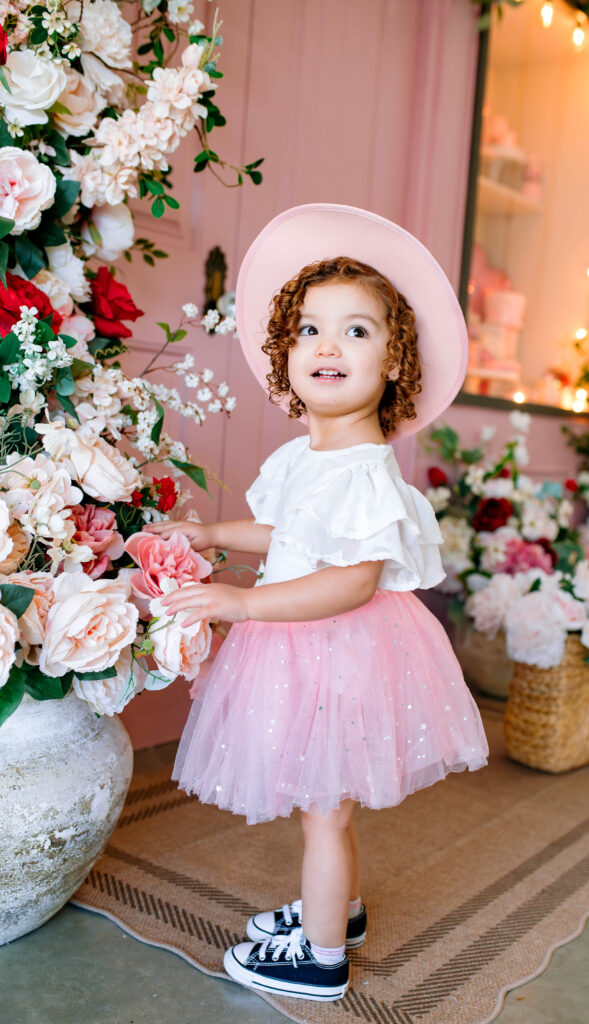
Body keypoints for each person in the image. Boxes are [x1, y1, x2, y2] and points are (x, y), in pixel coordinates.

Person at [144, 204, 488, 1002]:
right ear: (285, 354)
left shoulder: (365, 468)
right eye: (308, 330)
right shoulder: (306, 455)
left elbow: (351, 581)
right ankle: (343, 910)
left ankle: (321, 957)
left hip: (339, 649)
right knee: (324, 799)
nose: (326, 346)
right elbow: (288, 533)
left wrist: (241, 605)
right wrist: (211, 533)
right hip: (300, 641)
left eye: (355, 331)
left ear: (394, 362)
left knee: (323, 808)